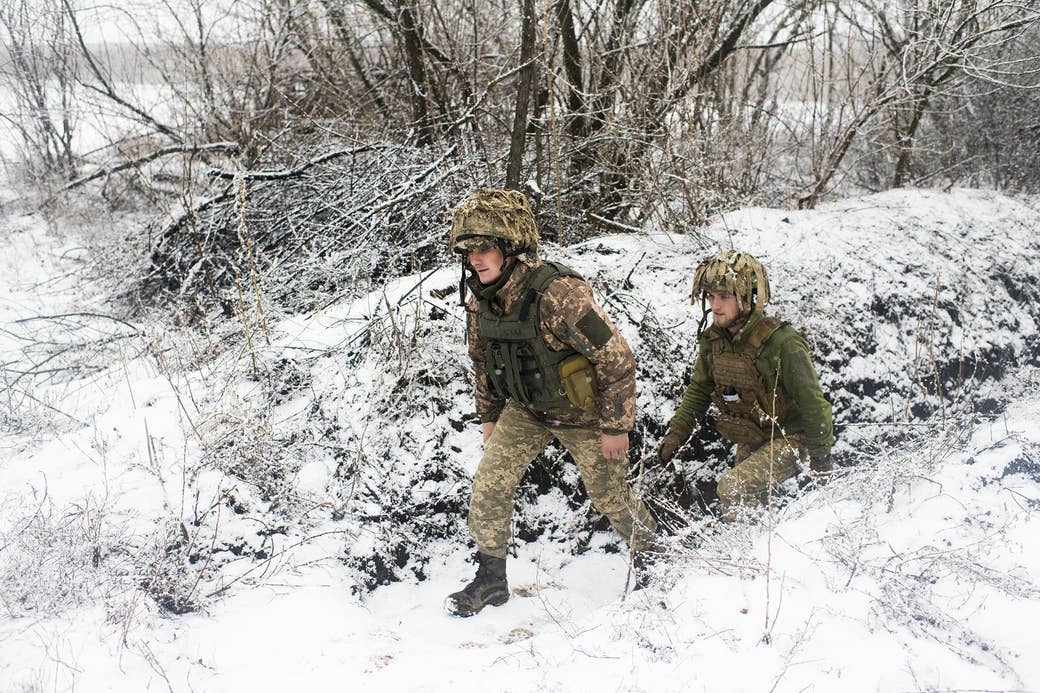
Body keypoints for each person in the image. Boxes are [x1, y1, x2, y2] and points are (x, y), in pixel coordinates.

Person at [445, 188, 657, 617]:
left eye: (485, 248)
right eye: (468, 251)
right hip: (527, 411)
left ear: (511, 248)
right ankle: (491, 581)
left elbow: (616, 358)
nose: (475, 259)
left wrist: (616, 426)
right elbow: (481, 362)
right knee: (489, 485)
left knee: (610, 495)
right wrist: (488, 418)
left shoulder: (558, 294)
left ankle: (658, 557)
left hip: (585, 416)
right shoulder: (480, 301)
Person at [656, 250, 834, 522]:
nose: (715, 305)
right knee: (748, 501)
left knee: (732, 489)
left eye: (724, 297)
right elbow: (699, 389)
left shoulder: (784, 344)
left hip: (791, 436)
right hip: (752, 433)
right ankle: (760, 548)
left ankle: (746, 555)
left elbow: (813, 403)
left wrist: (821, 460)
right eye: (711, 296)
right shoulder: (714, 340)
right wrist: (677, 433)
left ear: (747, 296)